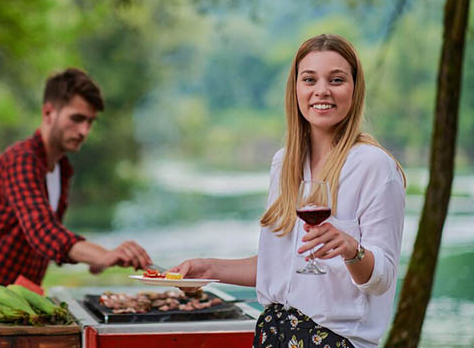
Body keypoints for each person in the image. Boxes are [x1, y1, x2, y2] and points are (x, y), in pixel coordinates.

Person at [171, 34, 406, 348]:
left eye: (336, 80)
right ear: (296, 88)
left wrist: (352, 249)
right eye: (309, 79)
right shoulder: (284, 164)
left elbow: (383, 278)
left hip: (335, 341)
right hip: (273, 336)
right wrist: (208, 269)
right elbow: (279, 267)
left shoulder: (373, 166)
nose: (321, 90)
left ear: (355, 89)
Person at [0, 68, 152, 293]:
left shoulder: (62, 169)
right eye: (76, 119)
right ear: (48, 113)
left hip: (16, 303)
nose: (84, 130)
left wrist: (96, 257)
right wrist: (103, 255)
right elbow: (42, 231)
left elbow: (50, 240)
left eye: (90, 122)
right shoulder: (21, 160)